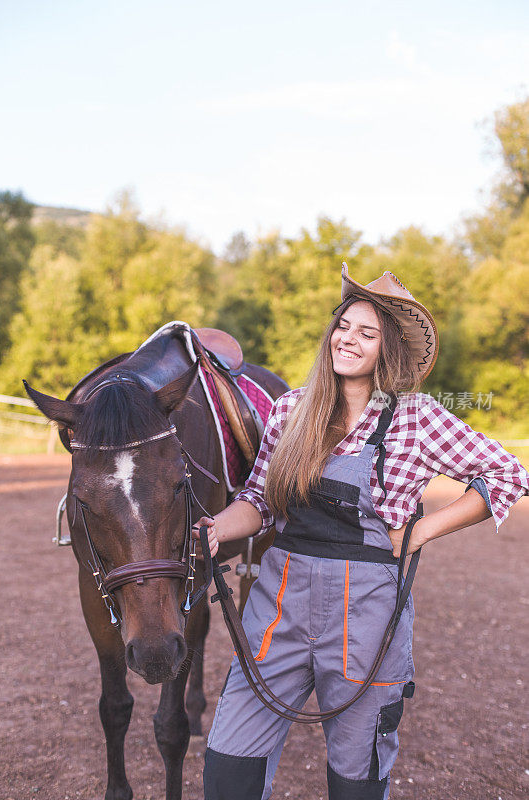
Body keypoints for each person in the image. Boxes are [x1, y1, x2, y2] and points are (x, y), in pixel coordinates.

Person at [193, 264, 529, 800]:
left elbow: (510, 474)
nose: (348, 339)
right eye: (343, 326)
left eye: (366, 333)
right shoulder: (289, 411)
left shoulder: (416, 420)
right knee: (228, 766)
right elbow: (257, 500)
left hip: (366, 617)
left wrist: (422, 532)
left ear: (387, 349)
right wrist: (215, 529)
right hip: (277, 606)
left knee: (356, 776)